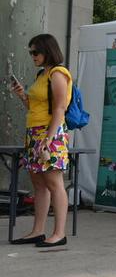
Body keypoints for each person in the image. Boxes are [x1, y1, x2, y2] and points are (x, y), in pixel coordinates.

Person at [9, 34, 73, 247]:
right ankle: (38, 231)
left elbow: (59, 109)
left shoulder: (58, 73)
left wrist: (48, 138)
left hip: (49, 134)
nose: (32, 56)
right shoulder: (41, 75)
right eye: (30, 52)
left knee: (54, 183)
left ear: (47, 51)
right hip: (34, 133)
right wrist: (22, 96)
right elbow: (36, 108)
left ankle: (59, 233)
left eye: (35, 52)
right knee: (39, 184)